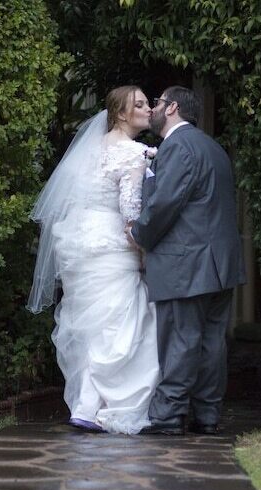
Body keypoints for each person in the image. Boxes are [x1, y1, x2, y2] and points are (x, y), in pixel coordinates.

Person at [27, 86, 160, 434]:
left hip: (78, 243)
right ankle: (101, 406)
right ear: (121, 114)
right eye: (141, 104)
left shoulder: (88, 151)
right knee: (119, 323)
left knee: (90, 325)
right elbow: (130, 210)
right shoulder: (135, 154)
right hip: (112, 244)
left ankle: (86, 406)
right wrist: (143, 250)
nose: (149, 109)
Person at [126, 86, 245, 435]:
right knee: (211, 343)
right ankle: (207, 416)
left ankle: (168, 416)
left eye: (159, 102)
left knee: (180, 339)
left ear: (174, 107)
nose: (154, 109)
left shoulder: (178, 146)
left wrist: (138, 234)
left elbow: (165, 203)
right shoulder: (213, 147)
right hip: (220, 265)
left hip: (187, 262)